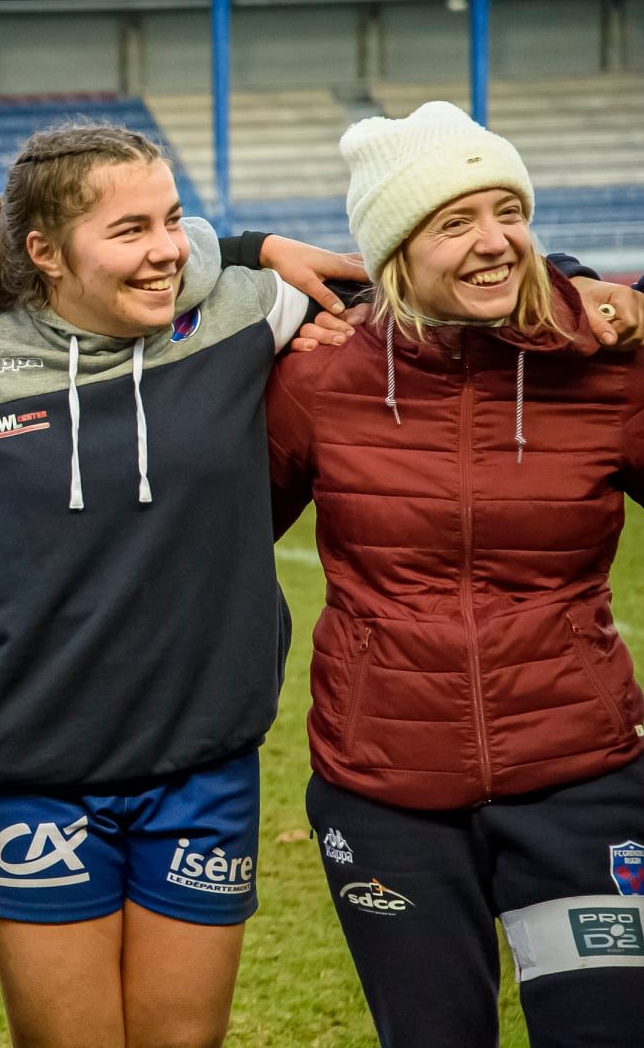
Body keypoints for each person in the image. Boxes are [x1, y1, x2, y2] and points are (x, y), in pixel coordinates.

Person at [0, 122, 325, 1048]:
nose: (166, 249)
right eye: (130, 230)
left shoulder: (247, 313)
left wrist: (592, 291)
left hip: (202, 762)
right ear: (45, 252)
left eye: (173, 220)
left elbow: (430, 285)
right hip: (28, 770)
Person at [267, 101, 644, 1048]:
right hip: (382, 787)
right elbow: (212, 541)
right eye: (455, 222)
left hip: (579, 777)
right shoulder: (319, 378)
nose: (495, 241)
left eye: (509, 212)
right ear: (395, 249)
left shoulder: (608, 366)